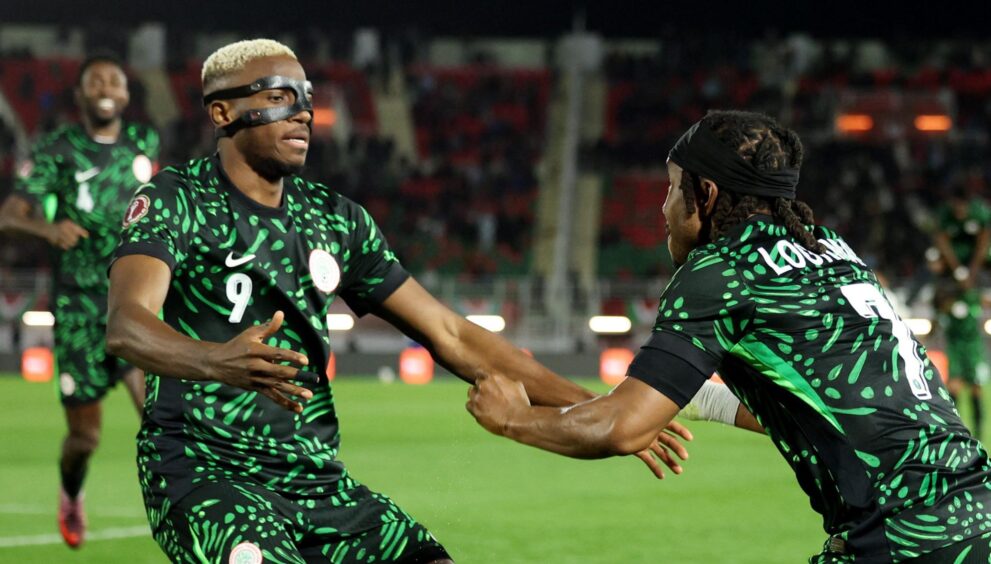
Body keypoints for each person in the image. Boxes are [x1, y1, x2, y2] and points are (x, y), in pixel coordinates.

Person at [105, 39, 688, 564]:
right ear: (222, 112)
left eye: (306, 98)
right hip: (206, 475)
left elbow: (450, 334)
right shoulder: (176, 200)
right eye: (278, 96)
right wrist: (214, 360)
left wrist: (599, 408)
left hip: (316, 481)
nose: (302, 112)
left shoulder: (335, 219)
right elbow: (127, 324)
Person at [467, 111, 991, 563]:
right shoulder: (833, 251)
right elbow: (837, 405)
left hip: (906, 538)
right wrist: (700, 401)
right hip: (978, 511)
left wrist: (513, 418)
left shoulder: (722, 271)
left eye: (672, 188)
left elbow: (621, 428)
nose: (664, 208)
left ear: (706, 194)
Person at [0, 52, 159, 548]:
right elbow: (9, 215)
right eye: (96, 82)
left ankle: (189, 513)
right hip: (78, 312)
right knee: (85, 438)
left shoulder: (145, 144)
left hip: (133, 301)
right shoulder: (58, 150)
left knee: (159, 416)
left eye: (115, 80)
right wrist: (48, 229)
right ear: (80, 95)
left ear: (127, 94)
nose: (106, 88)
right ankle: (71, 492)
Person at [931, 186, 991, 438]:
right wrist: (955, 270)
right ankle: (955, 431)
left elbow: (984, 240)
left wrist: (972, 273)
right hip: (955, 344)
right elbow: (941, 241)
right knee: (953, 386)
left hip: (973, 345)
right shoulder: (944, 293)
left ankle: (979, 433)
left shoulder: (977, 291)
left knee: (976, 387)